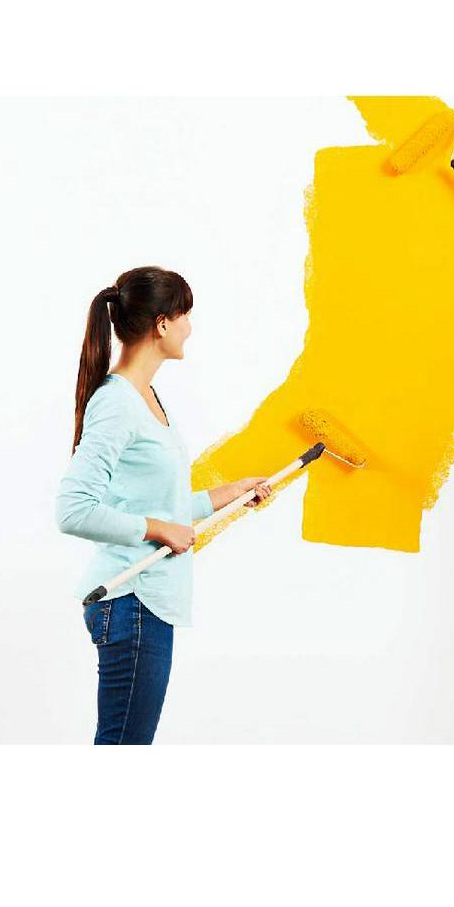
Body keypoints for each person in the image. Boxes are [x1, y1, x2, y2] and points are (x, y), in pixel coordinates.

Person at [56, 266, 272, 744]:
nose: (190, 327)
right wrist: (158, 529)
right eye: (185, 315)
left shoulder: (146, 397)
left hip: (146, 605)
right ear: (162, 324)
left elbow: (156, 504)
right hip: (131, 600)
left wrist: (230, 493)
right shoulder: (118, 403)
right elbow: (72, 510)